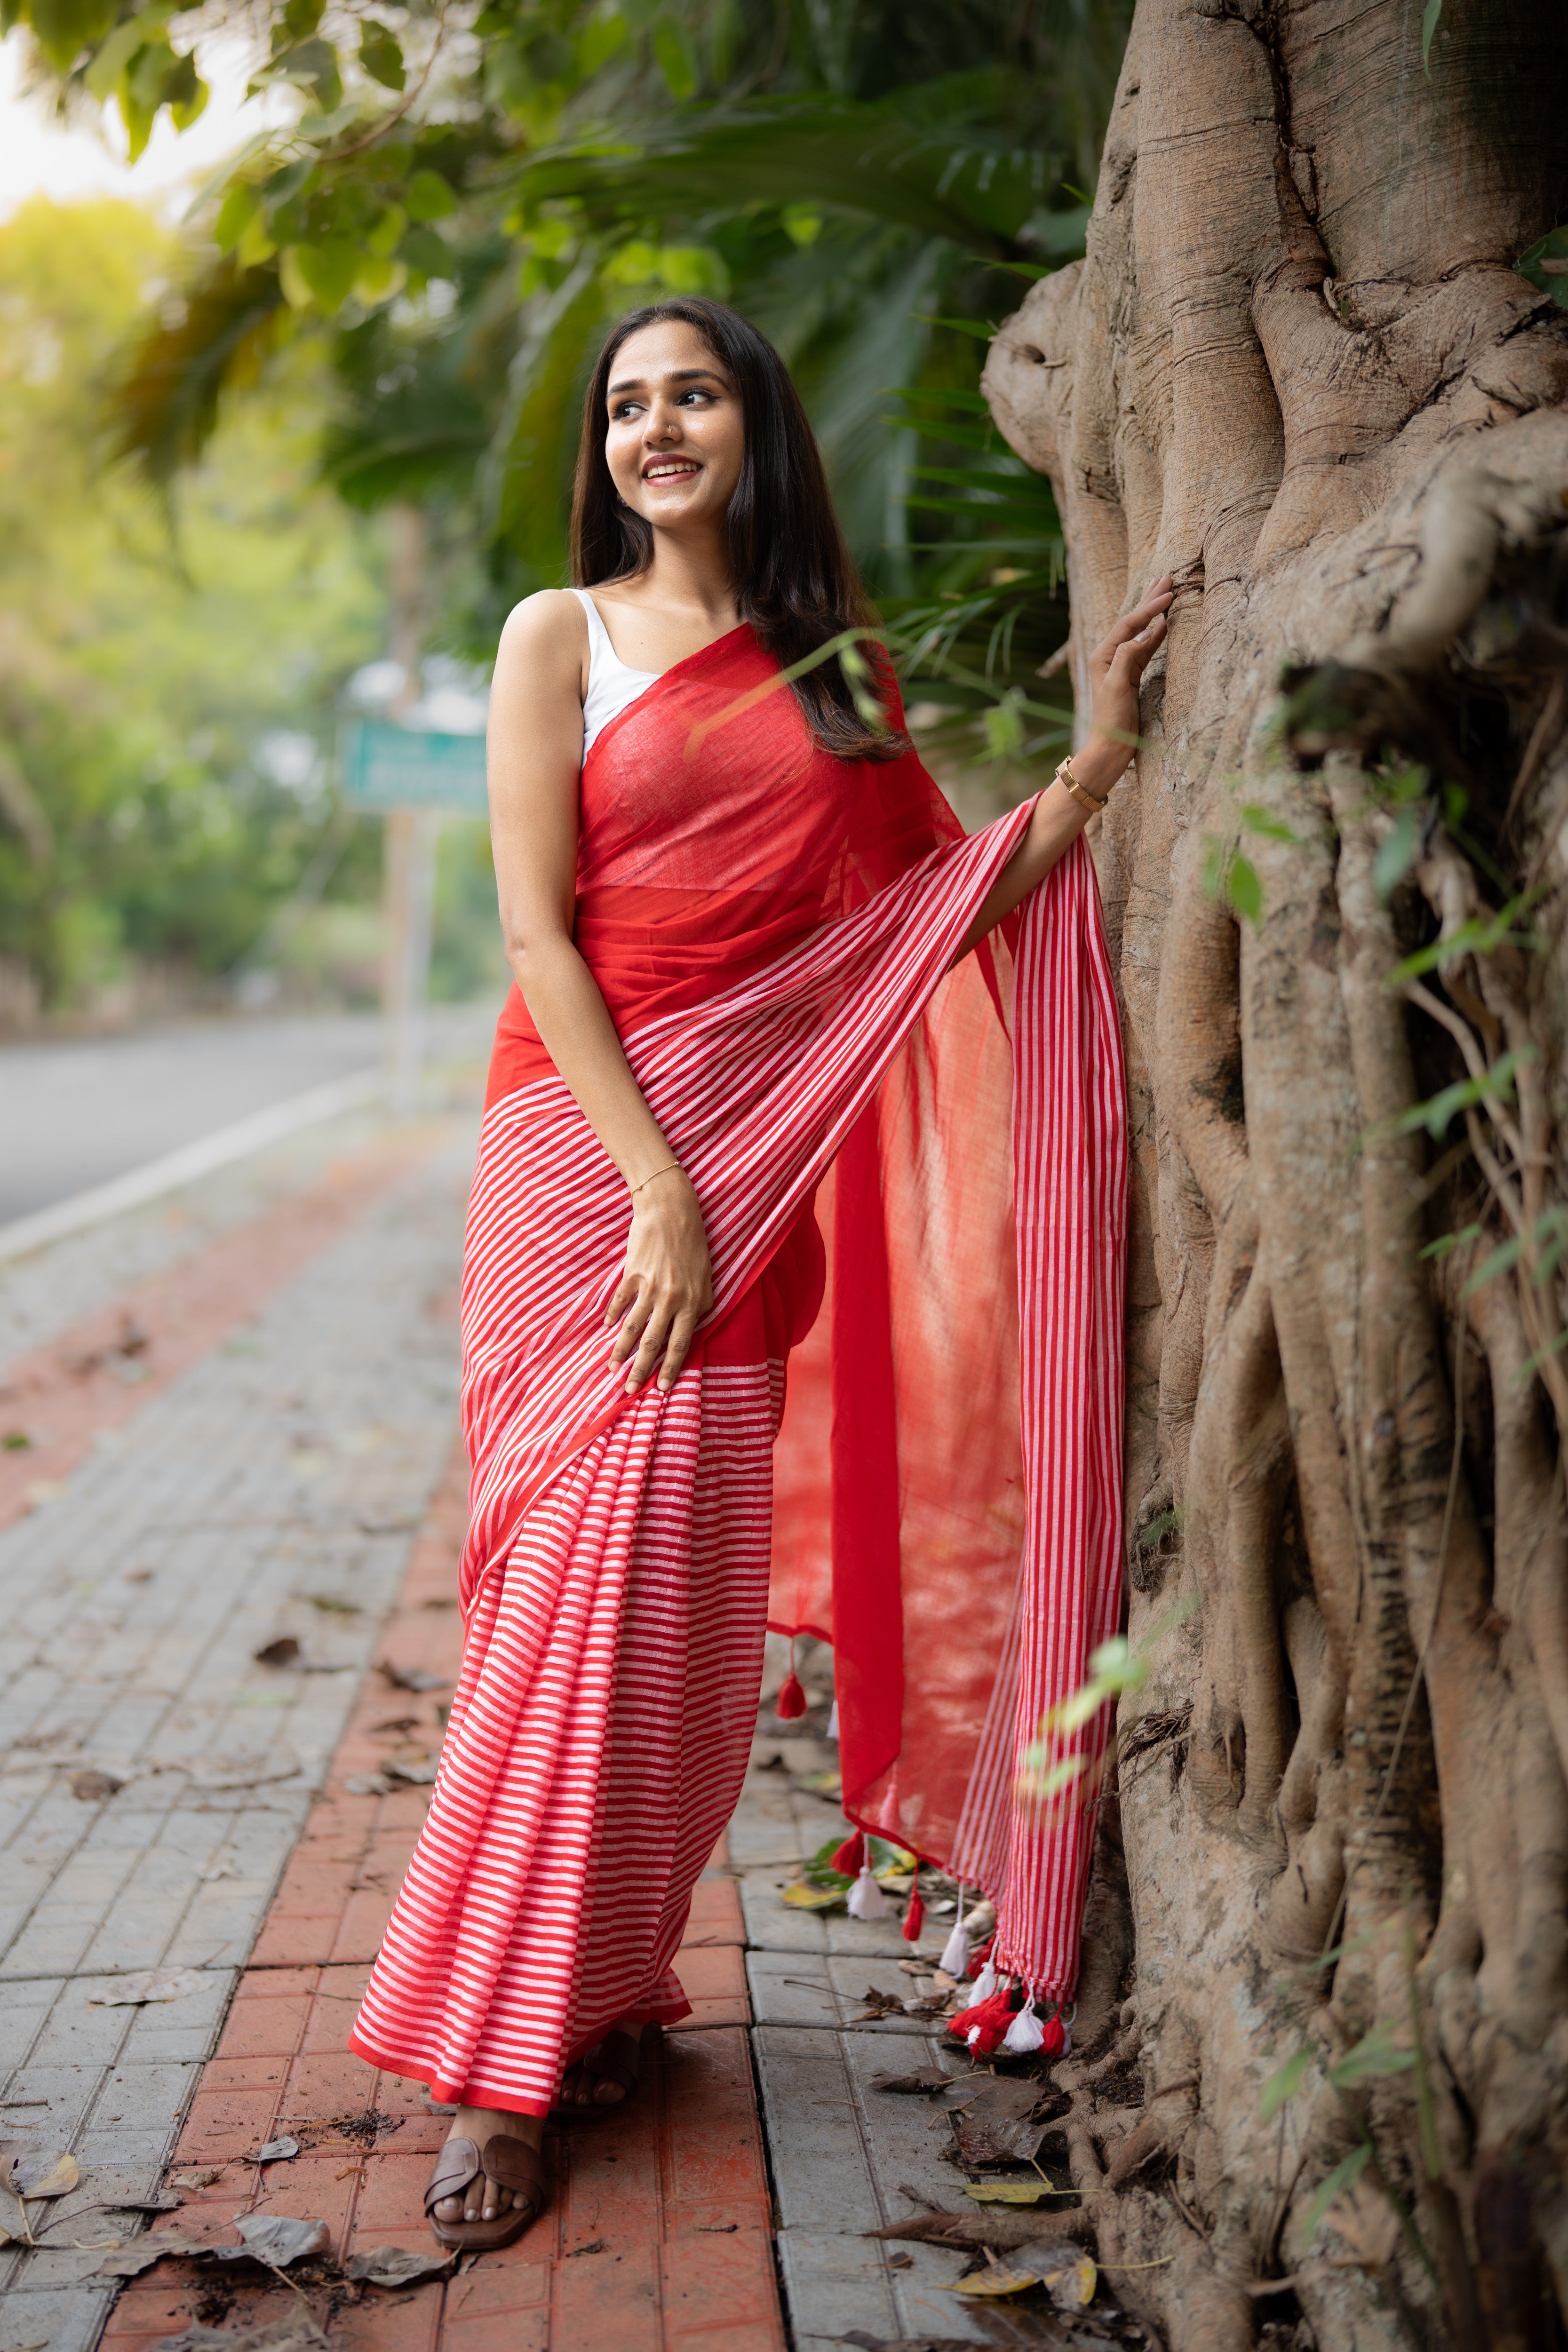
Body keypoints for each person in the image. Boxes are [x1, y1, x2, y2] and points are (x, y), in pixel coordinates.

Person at [348, 294, 1170, 2249]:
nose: (657, 428)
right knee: (563, 1612)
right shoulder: (559, 635)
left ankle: (609, 1984)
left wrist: (1106, 763)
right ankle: (494, 2065)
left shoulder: (829, 673)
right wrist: (655, 1191)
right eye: (626, 404)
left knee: (687, 1644)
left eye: (690, 392)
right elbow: (543, 937)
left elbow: (935, 906)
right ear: (604, 452)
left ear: (752, 421)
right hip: (591, 1173)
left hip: (750, 1183)